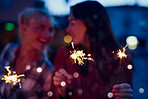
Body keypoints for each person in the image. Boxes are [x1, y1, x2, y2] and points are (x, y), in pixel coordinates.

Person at [53, 1, 133, 99]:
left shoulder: (119, 59)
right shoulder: (65, 54)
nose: (67, 29)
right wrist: (60, 92)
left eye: (72, 23)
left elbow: (126, 92)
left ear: (90, 23)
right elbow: (52, 95)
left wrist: (125, 95)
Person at [0, 8, 54, 99]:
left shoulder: (47, 72)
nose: (48, 34)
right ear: (24, 29)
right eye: (40, 28)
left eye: (50, 30)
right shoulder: (8, 51)